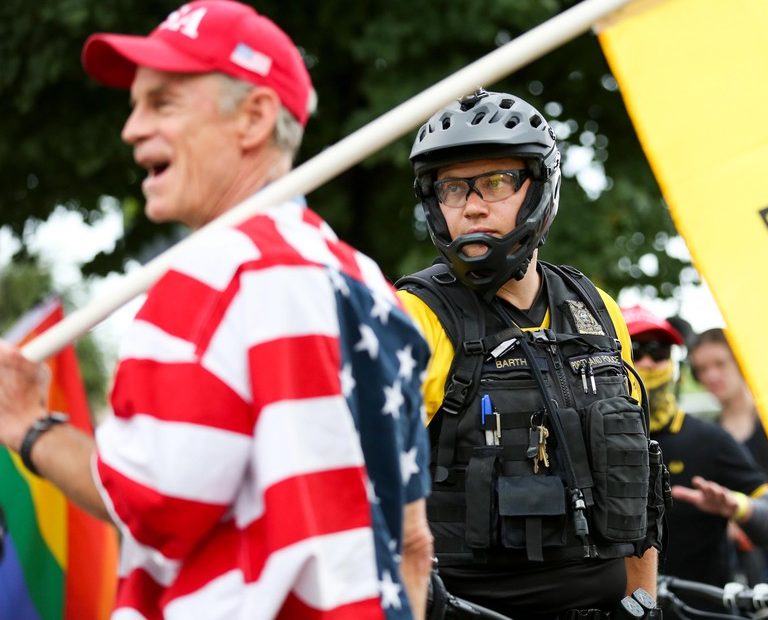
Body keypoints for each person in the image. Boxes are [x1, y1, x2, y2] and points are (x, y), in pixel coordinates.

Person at [0, 2, 432, 618]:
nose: (131, 129)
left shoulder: (212, 270)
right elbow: (413, 544)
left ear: (254, 117)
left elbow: (149, 501)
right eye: (135, 104)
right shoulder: (369, 282)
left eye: (162, 103)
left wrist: (28, 425)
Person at [396, 89, 665, 620]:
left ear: (540, 188)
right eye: (453, 188)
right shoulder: (412, 318)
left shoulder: (599, 312)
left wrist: (648, 602)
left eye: (496, 182)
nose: (472, 204)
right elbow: (363, 497)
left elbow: (640, 483)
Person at [621, 306, 768, 611]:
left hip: (703, 610)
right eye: (635, 351)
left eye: (658, 351)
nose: (647, 362)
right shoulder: (585, 443)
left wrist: (737, 507)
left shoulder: (709, 440)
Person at [689, 328, 768, 592]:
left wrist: (748, 514)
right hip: (728, 582)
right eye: (702, 369)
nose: (712, 375)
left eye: (720, 364)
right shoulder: (707, 438)